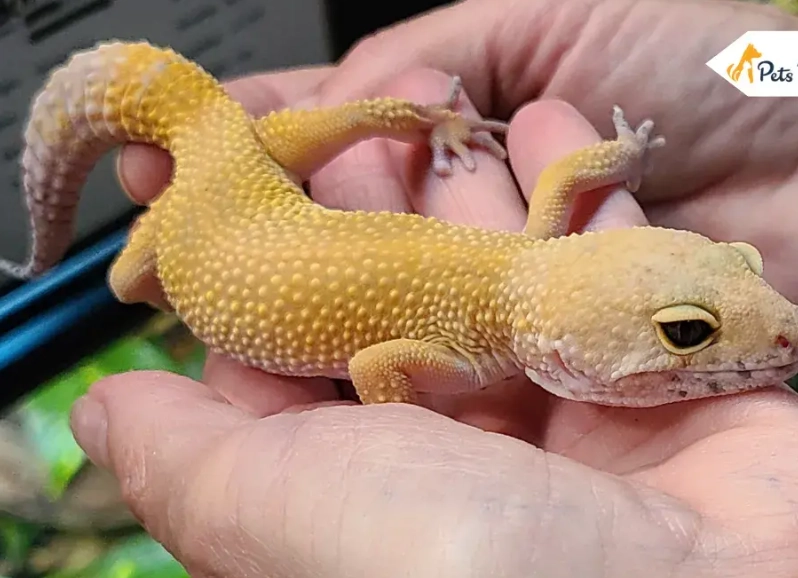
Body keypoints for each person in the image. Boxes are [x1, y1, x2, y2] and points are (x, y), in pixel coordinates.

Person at [69, 0, 798, 576]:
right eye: (686, 332)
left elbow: (565, 176)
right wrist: (414, 429)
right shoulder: (468, 353)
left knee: (132, 282)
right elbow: (374, 365)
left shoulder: (533, 252)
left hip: (239, 191)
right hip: (220, 198)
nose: (784, 329)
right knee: (127, 283)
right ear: (558, 352)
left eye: (741, 265)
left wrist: (626, 155)